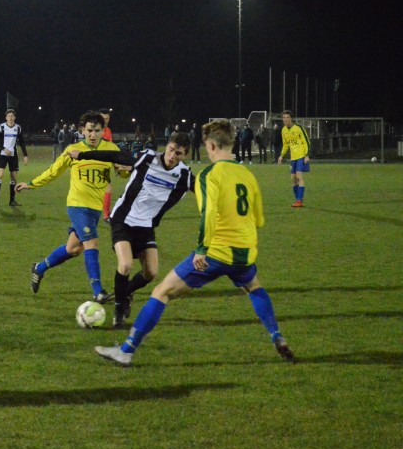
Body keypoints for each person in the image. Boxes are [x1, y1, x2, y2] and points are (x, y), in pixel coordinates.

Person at [95, 119, 294, 366]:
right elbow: (259, 219)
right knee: (254, 287)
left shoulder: (209, 175)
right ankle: (277, 335)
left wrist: (202, 249)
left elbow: (208, 214)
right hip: (244, 252)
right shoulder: (247, 174)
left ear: (210, 146)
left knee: (161, 292)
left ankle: (126, 351)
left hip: (214, 253)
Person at [69, 131, 195, 327]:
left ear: (184, 155)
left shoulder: (185, 176)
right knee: (126, 264)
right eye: (171, 150)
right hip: (123, 220)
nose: (172, 156)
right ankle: (119, 309)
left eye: (178, 154)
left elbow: (207, 191)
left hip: (145, 226)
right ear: (167, 145)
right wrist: (83, 155)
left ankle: (124, 293)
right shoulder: (147, 158)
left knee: (151, 273)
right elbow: (114, 155)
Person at [16, 112, 129, 304]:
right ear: (82, 131)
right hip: (77, 205)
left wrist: (123, 170)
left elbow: (124, 174)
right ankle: (98, 291)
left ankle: (39, 268)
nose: (93, 135)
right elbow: (54, 170)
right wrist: (32, 183)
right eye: (89, 130)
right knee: (91, 244)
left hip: (95, 208)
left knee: (73, 249)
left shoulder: (111, 149)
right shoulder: (73, 150)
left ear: (103, 132)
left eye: (97, 131)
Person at [0, 109, 29, 207]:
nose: (10, 118)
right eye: (9, 116)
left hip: (13, 156)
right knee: (0, 175)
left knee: (14, 178)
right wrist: (4, 148)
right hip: (3, 155)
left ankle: (12, 201)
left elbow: (22, 142)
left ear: (15, 117)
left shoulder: (18, 128)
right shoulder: (1, 127)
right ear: (6, 117)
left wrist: (25, 155)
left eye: (12, 116)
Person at [277, 110, 311, 207]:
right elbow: (286, 144)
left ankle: (299, 200)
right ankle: (297, 200)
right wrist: (281, 155)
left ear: (291, 118)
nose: (286, 119)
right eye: (284, 118)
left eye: (287, 117)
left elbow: (306, 141)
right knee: (293, 179)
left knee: (299, 177)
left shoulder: (298, 128)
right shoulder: (283, 130)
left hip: (301, 156)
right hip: (293, 158)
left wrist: (307, 154)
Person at [99, 108, 114, 223]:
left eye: (107, 118)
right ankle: (105, 215)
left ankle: (106, 214)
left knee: (107, 188)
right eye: (103, 118)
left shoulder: (108, 130)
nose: (106, 120)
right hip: (96, 163)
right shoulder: (96, 131)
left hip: (105, 163)